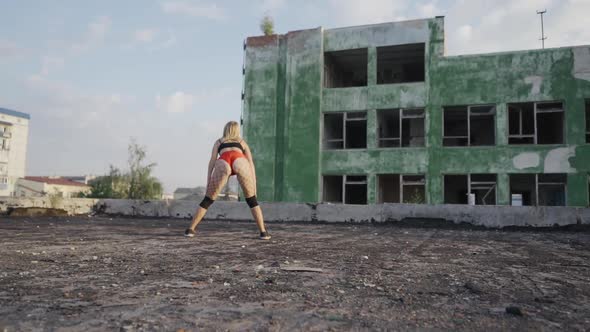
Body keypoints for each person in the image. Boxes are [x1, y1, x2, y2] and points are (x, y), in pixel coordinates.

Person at [185, 121, 271, 240]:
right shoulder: (242, 142)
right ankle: (263, 232)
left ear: (225, 129)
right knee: (252, 200)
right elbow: (251, 163)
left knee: (207, 200)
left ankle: (190, 230)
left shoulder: (219, 142)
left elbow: (212, 162)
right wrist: (254, 184)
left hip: (223, 161)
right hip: (239, 160)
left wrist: (208, 180)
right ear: (237, 130)